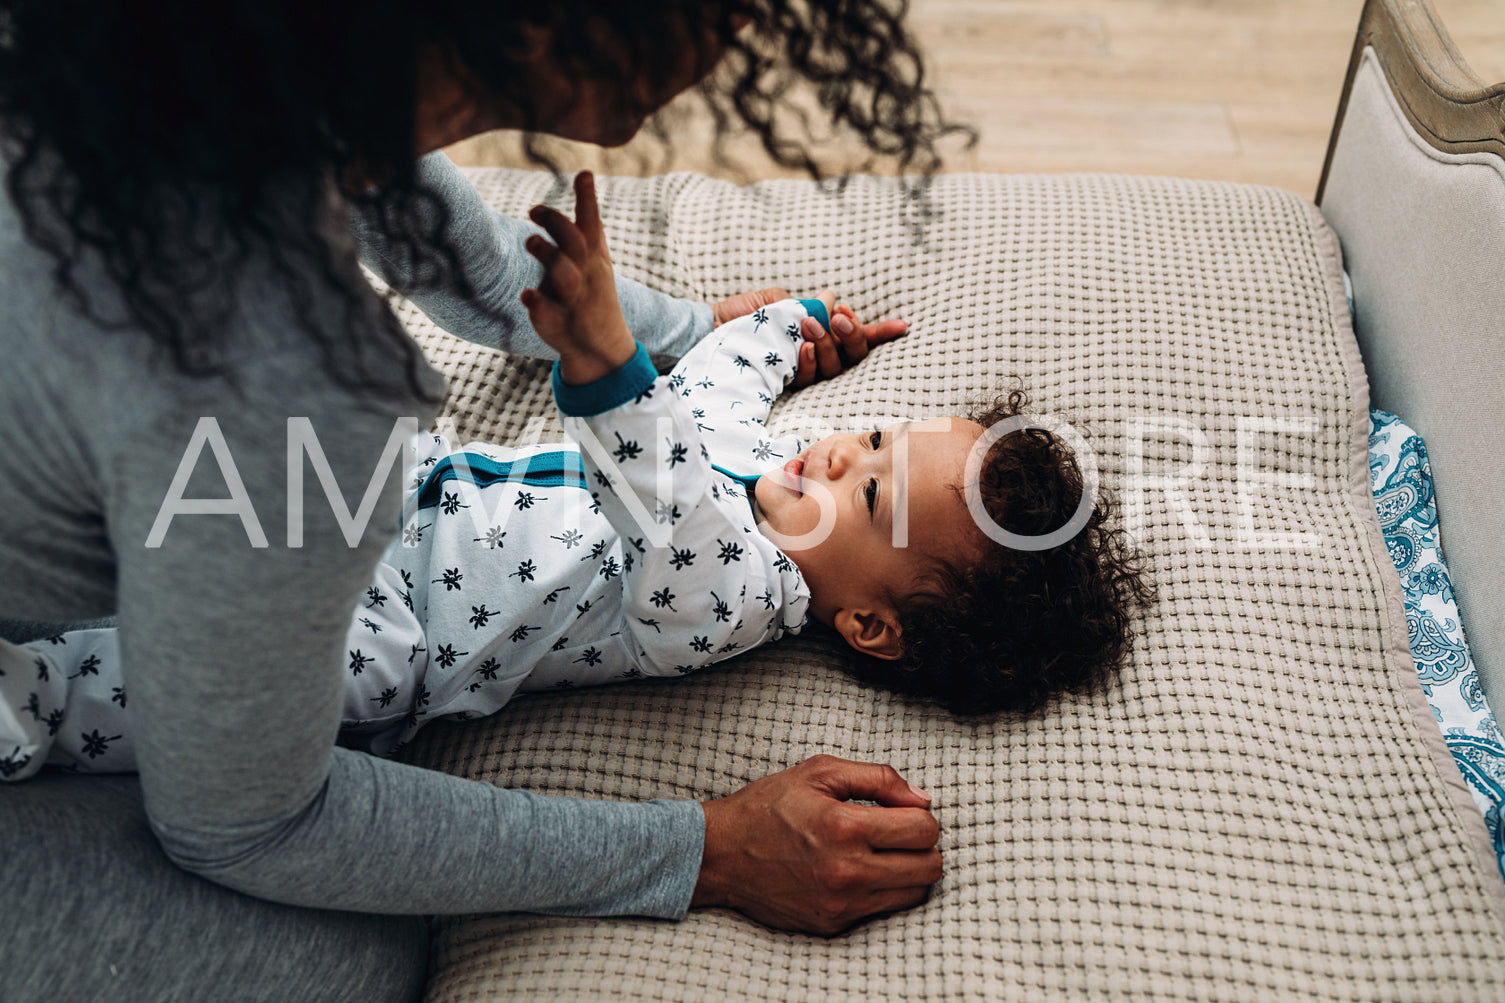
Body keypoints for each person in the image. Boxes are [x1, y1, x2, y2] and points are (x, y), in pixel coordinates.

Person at [0, 2, 969, 999]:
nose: (747, 34)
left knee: (365, 681)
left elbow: (650, 474)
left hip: (390, 616)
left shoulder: (241, 54)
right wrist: (705, 849)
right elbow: (245, 823)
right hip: (261, 579)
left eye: (876, 490)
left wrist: (665, 331)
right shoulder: (295, 383)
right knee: (358, 946)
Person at [13, 172, 1148, 777]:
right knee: (234, 456)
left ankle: (36, 699)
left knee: (235, 677)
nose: (845, 451)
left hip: (397, 623)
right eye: (881, 438)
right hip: (399, 486)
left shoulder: (737, 600)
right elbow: (721, 384)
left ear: (868, 625)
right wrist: (795, 324)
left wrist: (607, 358)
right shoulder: (760, 461)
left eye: (869, 493)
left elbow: (666, 501)